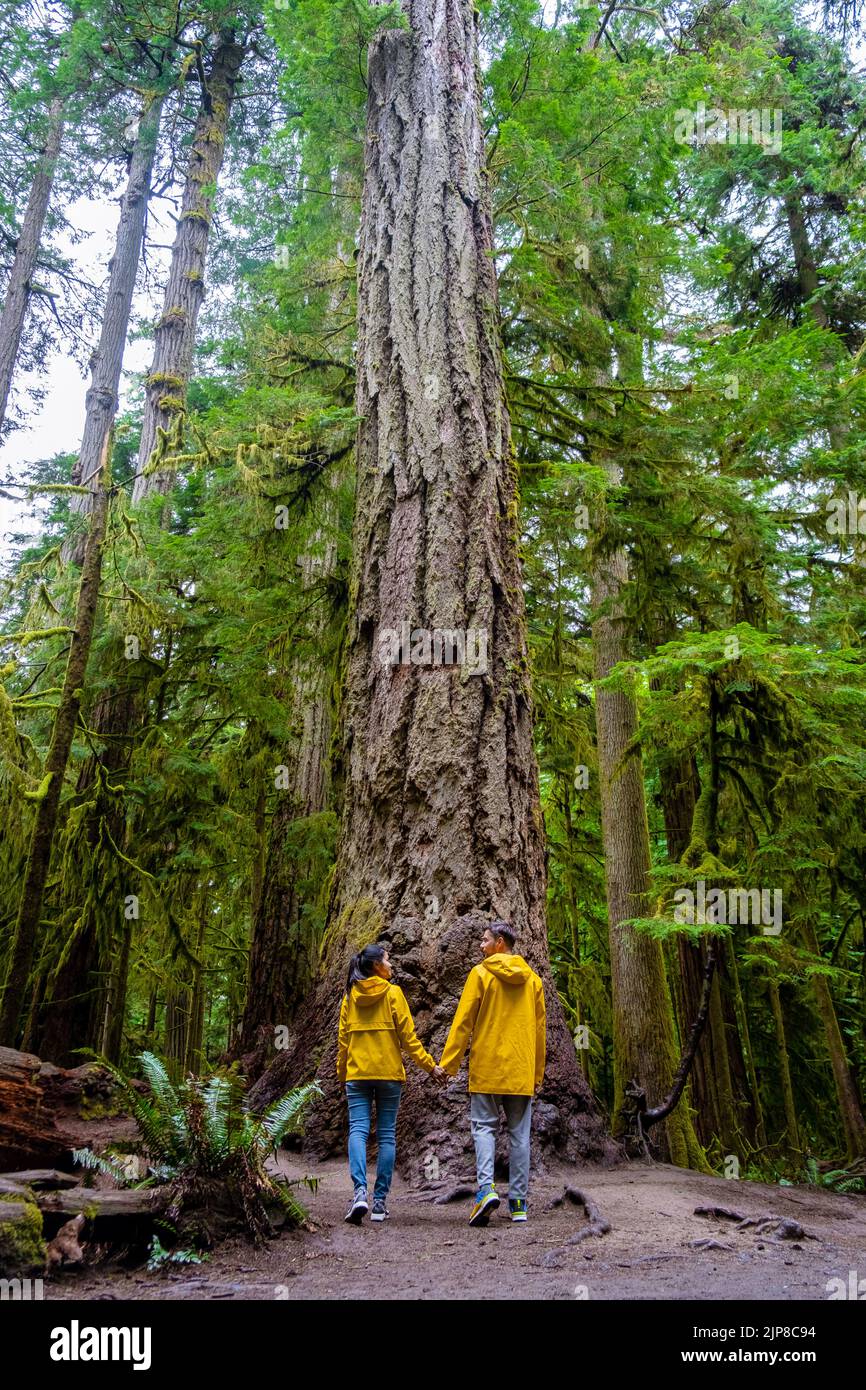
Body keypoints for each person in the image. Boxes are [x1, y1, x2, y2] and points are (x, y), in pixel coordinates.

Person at [438, 920, 546, 1226]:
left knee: (484, 1128)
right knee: (519, 1135)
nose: (480, 946)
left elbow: (463, 1021)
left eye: (485, 941)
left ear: (500, 943)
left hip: (487, 1067)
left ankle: (485, 1190)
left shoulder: (481, 974)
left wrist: (448, 1064)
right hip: (520, 1070)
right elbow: (540, 1033)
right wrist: (536, 1074)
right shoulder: (533, 981)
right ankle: (519, 1203)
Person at [337, 942, 446, 1223]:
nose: (392, 964)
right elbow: (409, 1039)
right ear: (376, 966)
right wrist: (430, 1067)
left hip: (357, 1075)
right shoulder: (393, 994)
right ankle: (379, 1203)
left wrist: (342, 1073)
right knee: (386, 1135)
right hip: (388, 1075)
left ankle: (359, 1192)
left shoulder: (350, 997)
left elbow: (343, 1042)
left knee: (358, 1131)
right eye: (388, 960)